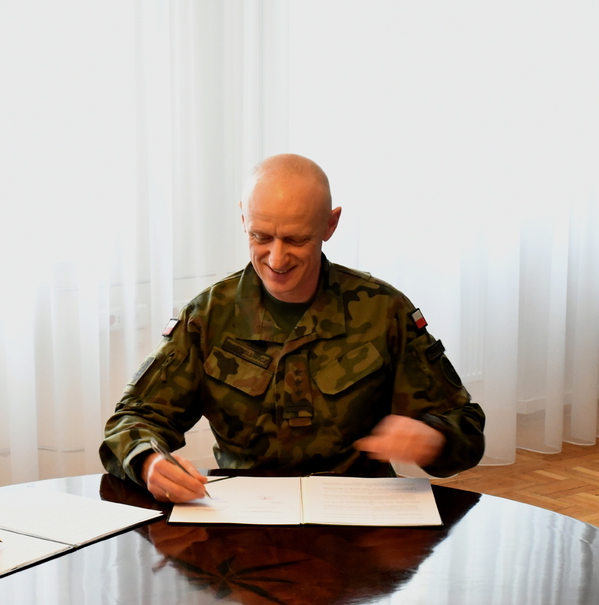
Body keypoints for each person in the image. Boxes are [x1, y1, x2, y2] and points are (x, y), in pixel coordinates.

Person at [101, 154, 485, 502]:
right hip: (246, 517)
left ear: (330, 224)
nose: (276, 258)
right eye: (260, 237)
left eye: (296, 239)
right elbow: (134, 417)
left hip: (361, 518)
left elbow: (465, 427)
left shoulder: (382, 310)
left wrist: (434, 440)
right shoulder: (209, 316)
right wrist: (149, 463)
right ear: (243, 219)